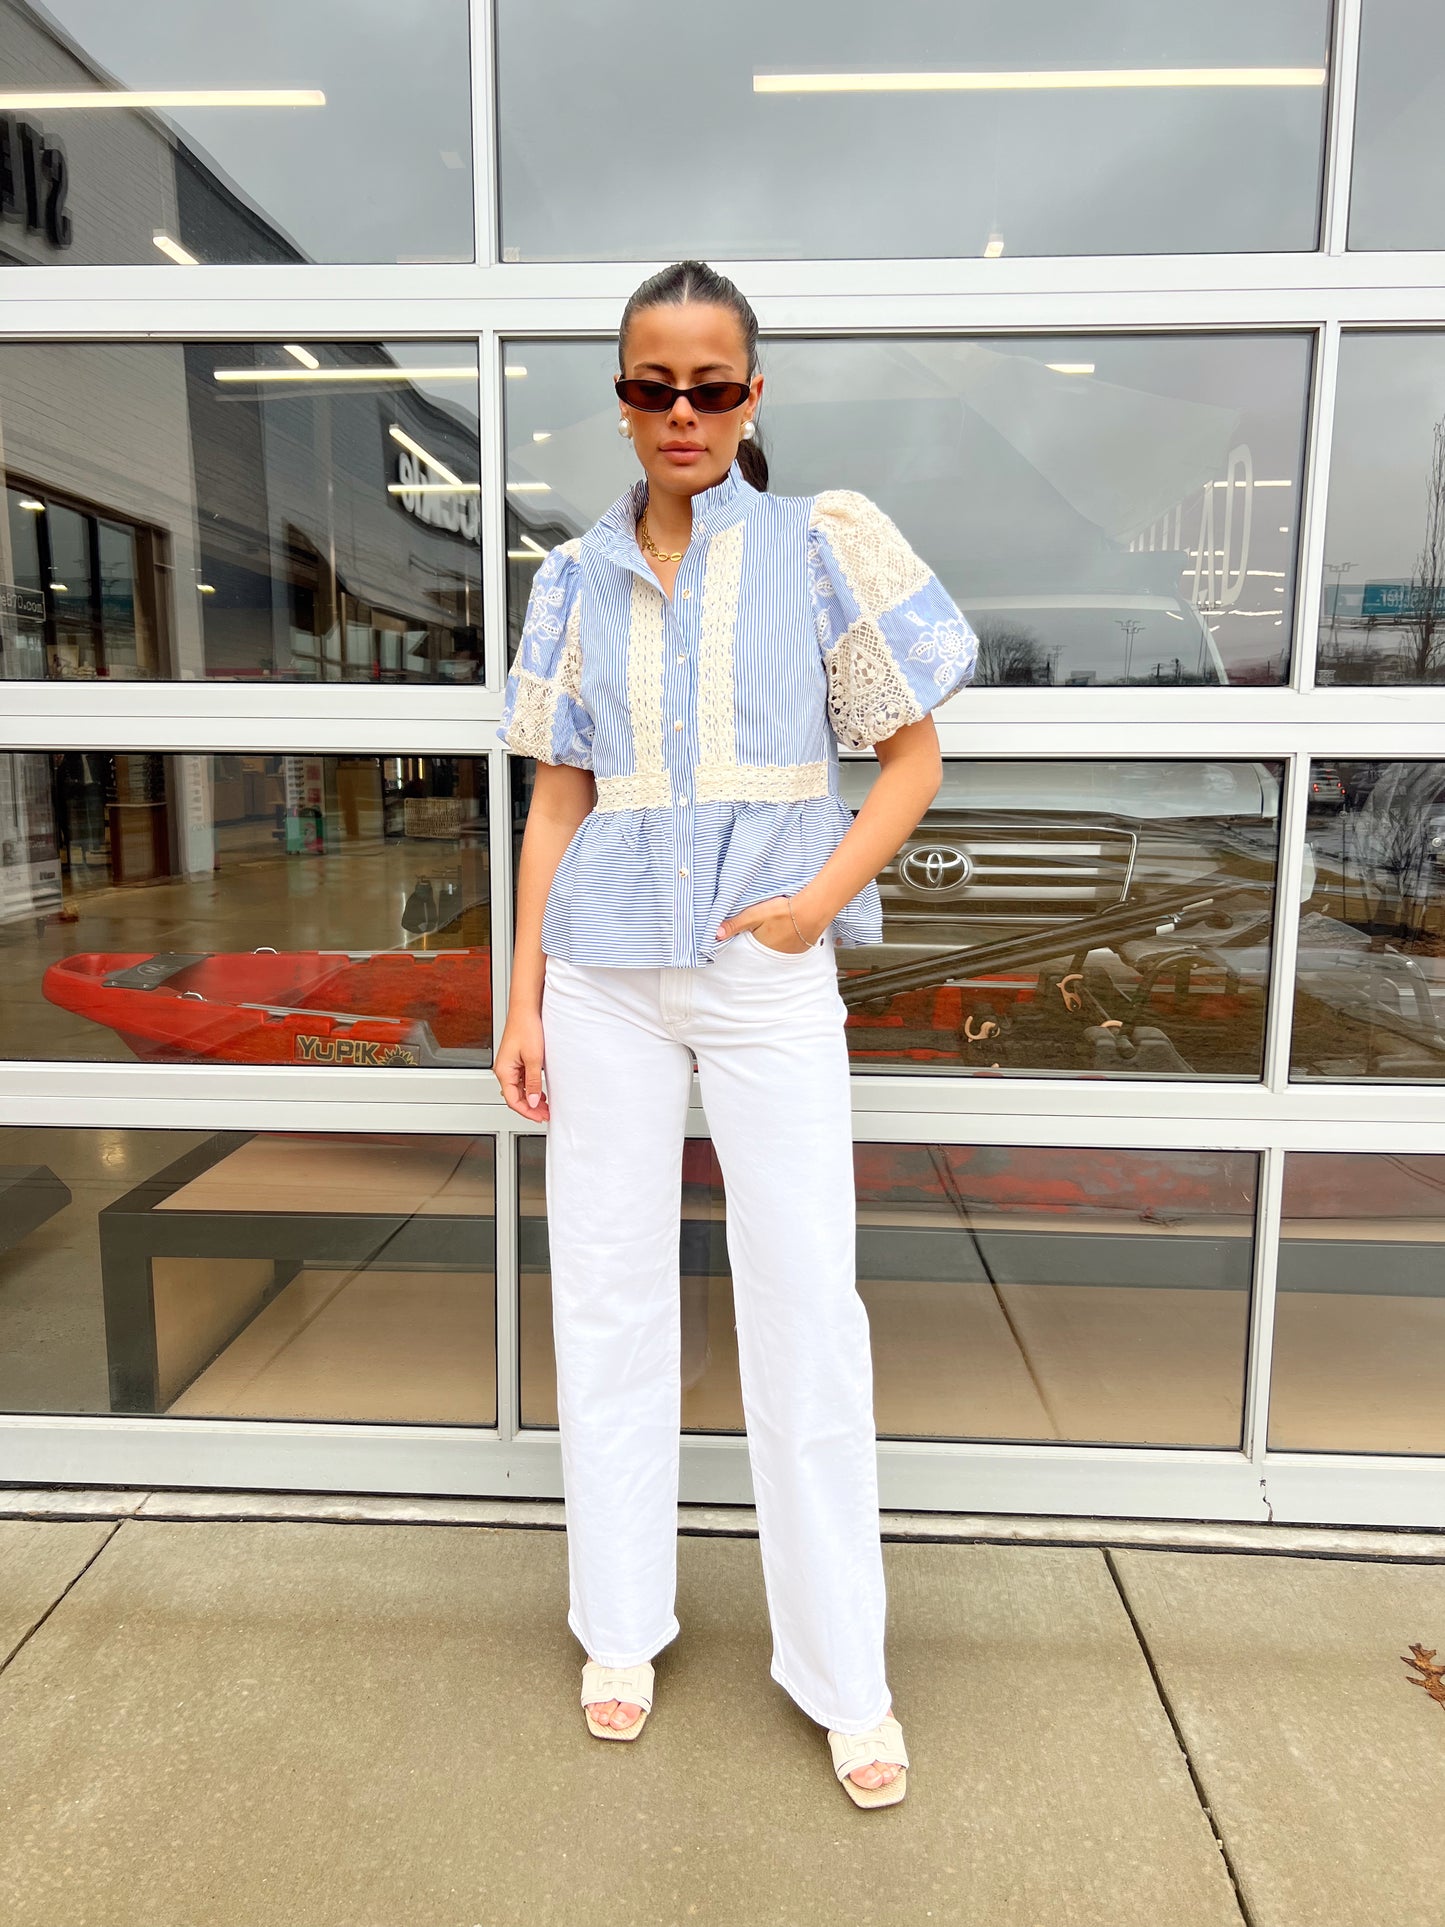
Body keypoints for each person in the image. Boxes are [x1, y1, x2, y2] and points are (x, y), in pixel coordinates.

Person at [495, 260, 978, 1810]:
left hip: (767, 978)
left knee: (802, 1309)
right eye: (653, 385)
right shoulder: (570, 578)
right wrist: (517, 997)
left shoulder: (816, 549)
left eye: (711, 384)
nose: (682, 411)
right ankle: (620, 1626)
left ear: (752, 394)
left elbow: (909, 759)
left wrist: (810, 902)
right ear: (622, 397)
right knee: (613, 1303)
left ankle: (845, 1674)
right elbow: (555, 795)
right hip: (602, 979)